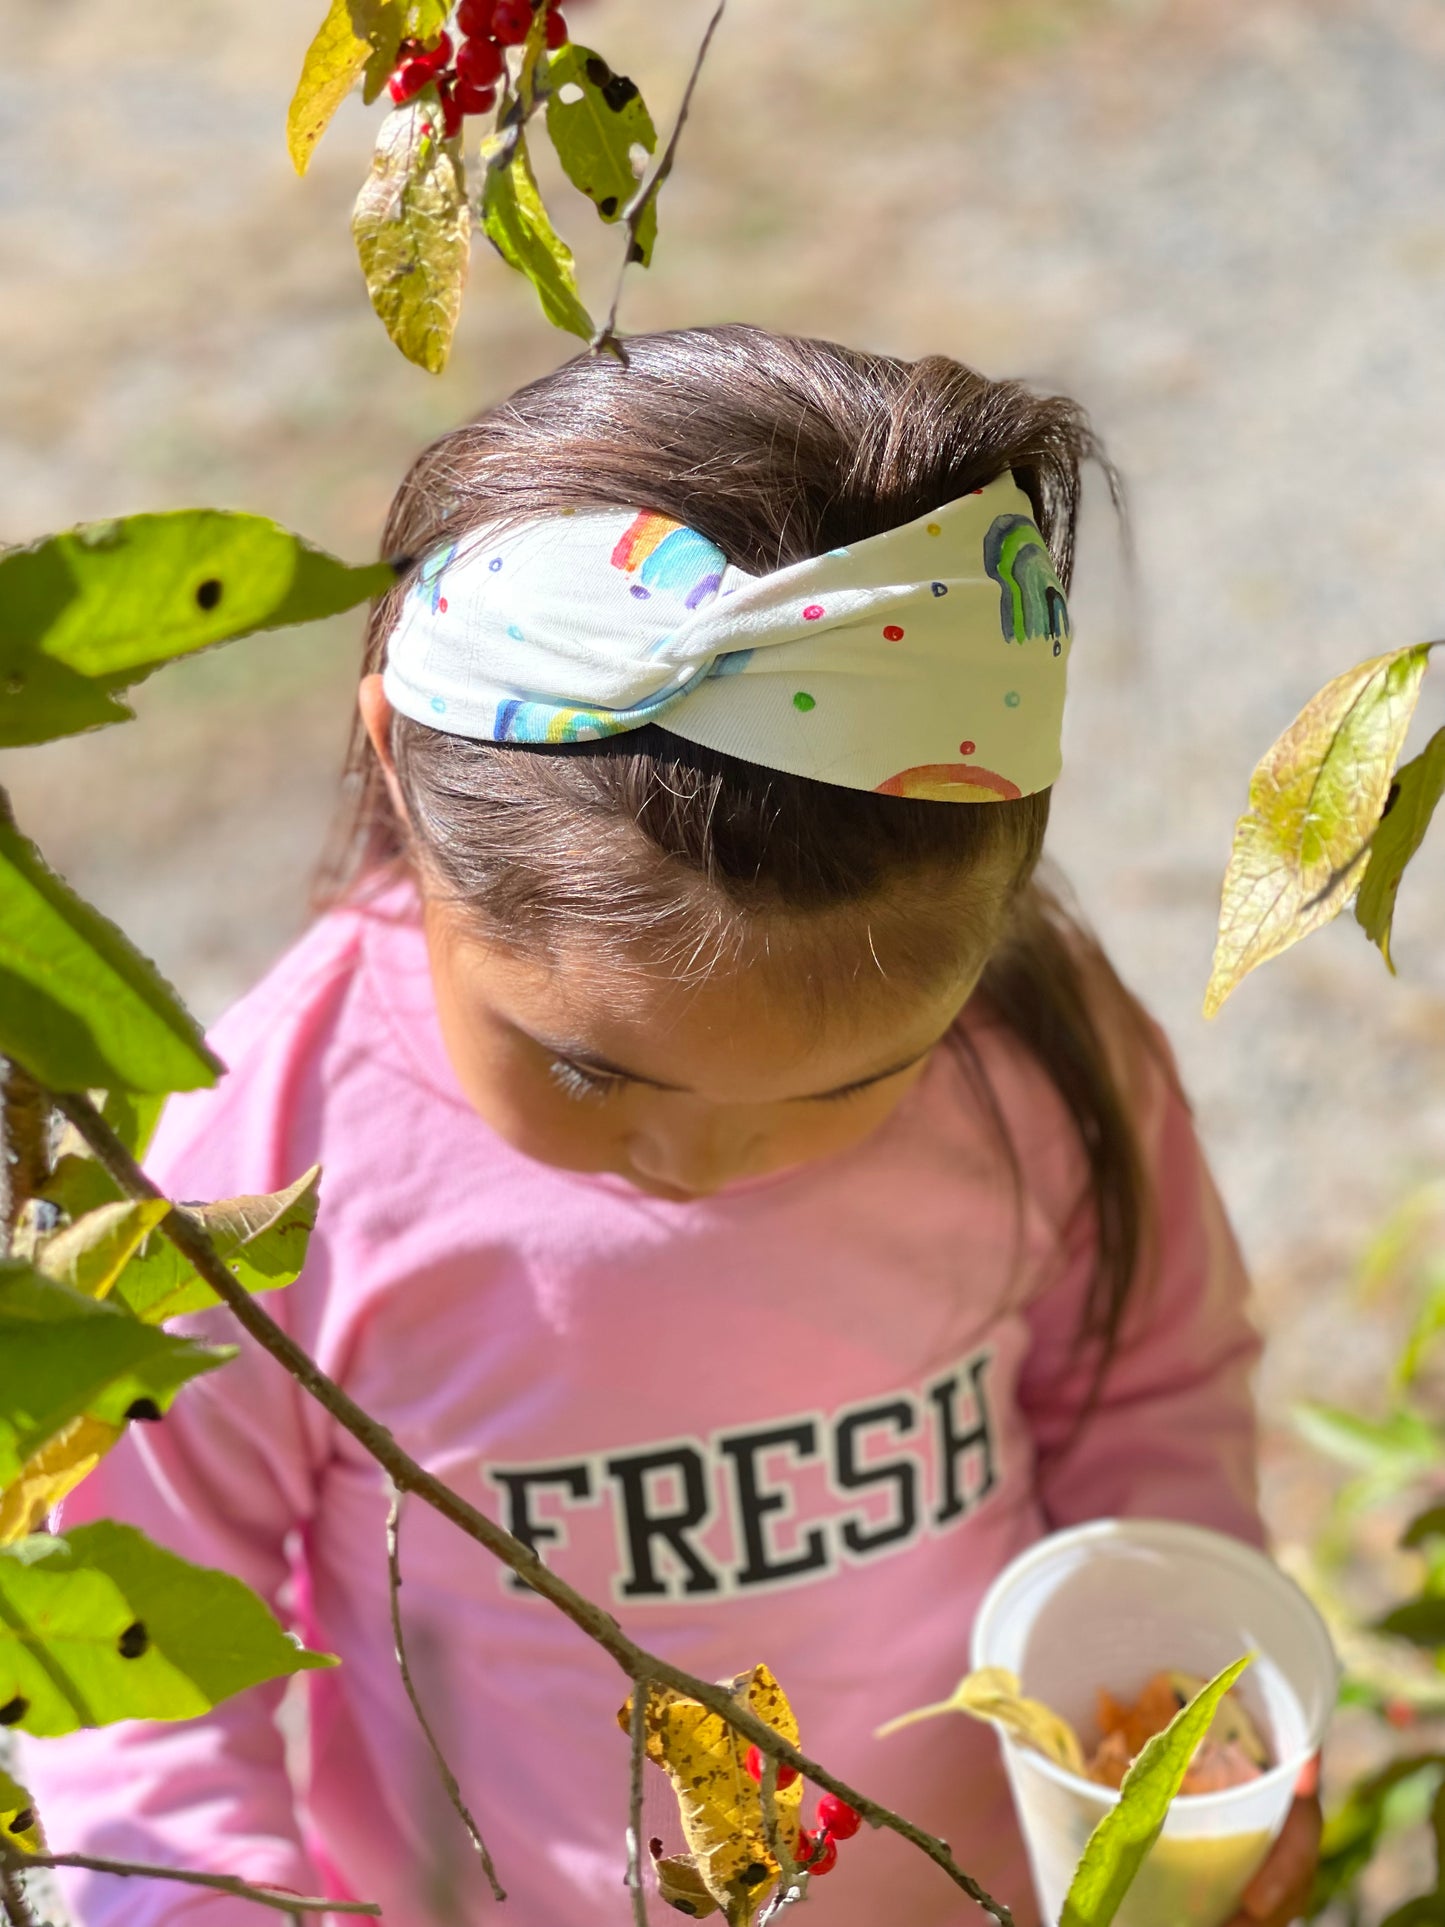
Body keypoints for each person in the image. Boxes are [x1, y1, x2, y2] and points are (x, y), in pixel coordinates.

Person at [23, 325, 1320, 1926]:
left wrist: (1188, 1694)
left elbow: (1149, 1389)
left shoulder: (1039, 1059)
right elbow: (141, 1659)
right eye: (591, 1073)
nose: (700, 1168)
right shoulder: (263, 1163)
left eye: (847, 1088)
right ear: (403, 780)